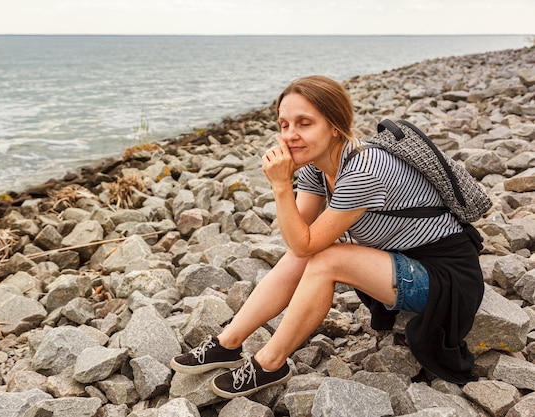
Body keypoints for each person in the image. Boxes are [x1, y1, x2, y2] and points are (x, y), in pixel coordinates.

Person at [170, 75, 485, 398]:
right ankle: (228, 343)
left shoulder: (364, 169)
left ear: (335, 126)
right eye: (284, 125)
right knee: (305, 255)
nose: (290, 135)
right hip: (399, 265)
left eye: (304, 123)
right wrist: (287, 182)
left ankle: (271, 363)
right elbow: (300, 236)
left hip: (446, 280)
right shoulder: (317, 164)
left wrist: (281, 186)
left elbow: (305, 242)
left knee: (327, 258)